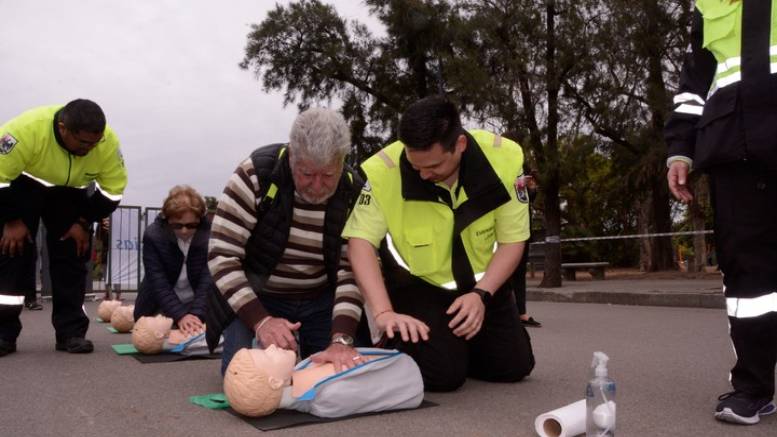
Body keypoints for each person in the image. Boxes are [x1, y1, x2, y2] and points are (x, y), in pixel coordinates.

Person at [342, 95, 535, 392]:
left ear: (459, 145)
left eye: (432, 166)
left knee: (515, 367)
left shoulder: (505, 160)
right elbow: (360, 243)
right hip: (420, 286)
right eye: (414, 164)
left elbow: (513, 240)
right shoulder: (384, 171)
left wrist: (481, 296)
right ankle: (414, 345)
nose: (422, 174)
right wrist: (384, 314)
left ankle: (457, 348)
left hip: (483, 287)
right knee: (442, 377)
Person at [665, 0, 777, 425]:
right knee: (747, 276)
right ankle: (752, 388)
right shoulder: (709, 3)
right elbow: (694, 87)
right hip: (735, 147)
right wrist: (680, 151)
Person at [207, 108, 366, 375]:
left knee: (341, 376)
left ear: (341, 161)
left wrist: (341, 338)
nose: (317, 186)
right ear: (292, 156)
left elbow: (352, 269)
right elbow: (222, 254)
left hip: (320, 298)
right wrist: (261, 321)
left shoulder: (353, 189)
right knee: (250, 376)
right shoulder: (256, 173)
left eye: (328, 175)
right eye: (306, 174)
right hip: (259, 294)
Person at [0, 99, 127, 356]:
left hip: (70, 194)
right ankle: (3, 334)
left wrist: (83, 222)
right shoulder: (25, 130)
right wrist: (11, 221)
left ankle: (71, 333)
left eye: (95, 143)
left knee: (72, 255)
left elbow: (113, 192)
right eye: (83, 143)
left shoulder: (106, 142)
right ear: (62, 128)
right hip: (23, 186)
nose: (90, 149)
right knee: (12, 254)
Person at [134, 185, 213, 336]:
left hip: (197, 303)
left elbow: (207, 280)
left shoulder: (211, 237)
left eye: (191, 225)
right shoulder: (153, 236)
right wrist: (180, 315)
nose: (184, 231)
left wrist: (196, 314)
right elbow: (158, 281)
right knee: (151, 335)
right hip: (159, 304)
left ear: (200, 220)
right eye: (177, 225)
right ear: (167, 219)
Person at [511, 172, 541, 327]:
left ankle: (521, 313)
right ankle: (504, 314)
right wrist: (512, 184)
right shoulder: (500, 171)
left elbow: (523, 202)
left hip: (523, 231)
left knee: (519, 274)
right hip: (505, 233)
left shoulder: (518, 174)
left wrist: (531, 190)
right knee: (503, 274)